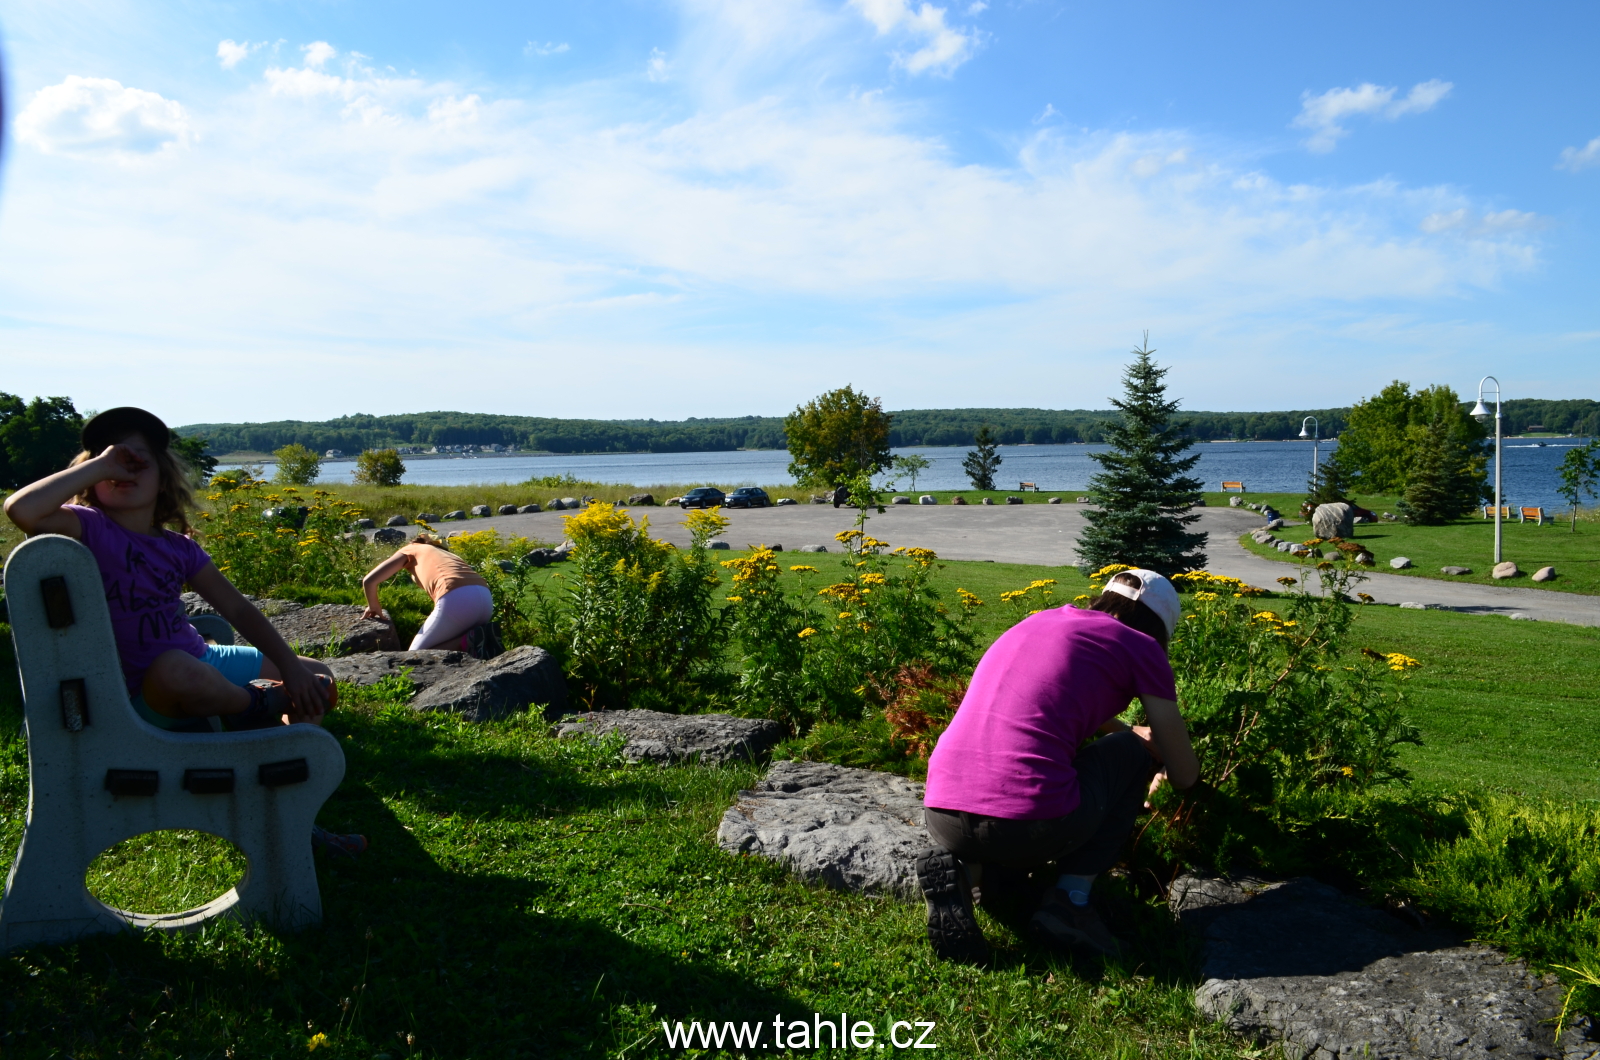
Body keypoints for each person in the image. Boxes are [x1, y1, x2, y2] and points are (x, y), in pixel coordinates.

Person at [2, 407, 365, 855]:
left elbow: (237, 608)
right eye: (112, 459)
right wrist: (102, 463)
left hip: (201, 658)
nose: (123, 468)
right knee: (177, 669)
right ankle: (253, 707)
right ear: (90, 475)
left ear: (163, 478)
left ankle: (279, 759)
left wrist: (291, 667)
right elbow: (21, 510)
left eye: (138, 461)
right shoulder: (88, 527)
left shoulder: (179, 549)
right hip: (139, 691)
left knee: (314, 674)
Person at [917, 568, 1199, 963]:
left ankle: (967, 874)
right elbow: (1185, 774)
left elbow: (1057, 693)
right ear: (1159, 629)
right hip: (1029, 824)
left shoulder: (1041, 620)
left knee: (1012, 802)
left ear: (1103, 600)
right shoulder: (1142, 647)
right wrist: (1158, 763)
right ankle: (1071, 901)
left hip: (942, 811)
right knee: (1132, 755)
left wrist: (1124, 727)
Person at [360, 534, 497, 653]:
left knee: (416, 655)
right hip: (485, 597)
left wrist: (373, 606)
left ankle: (468, 641)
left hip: (456, 597)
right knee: (454, 643)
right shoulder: (448, 555)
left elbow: (369, 581)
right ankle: (475, 638)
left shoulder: (412, 548)